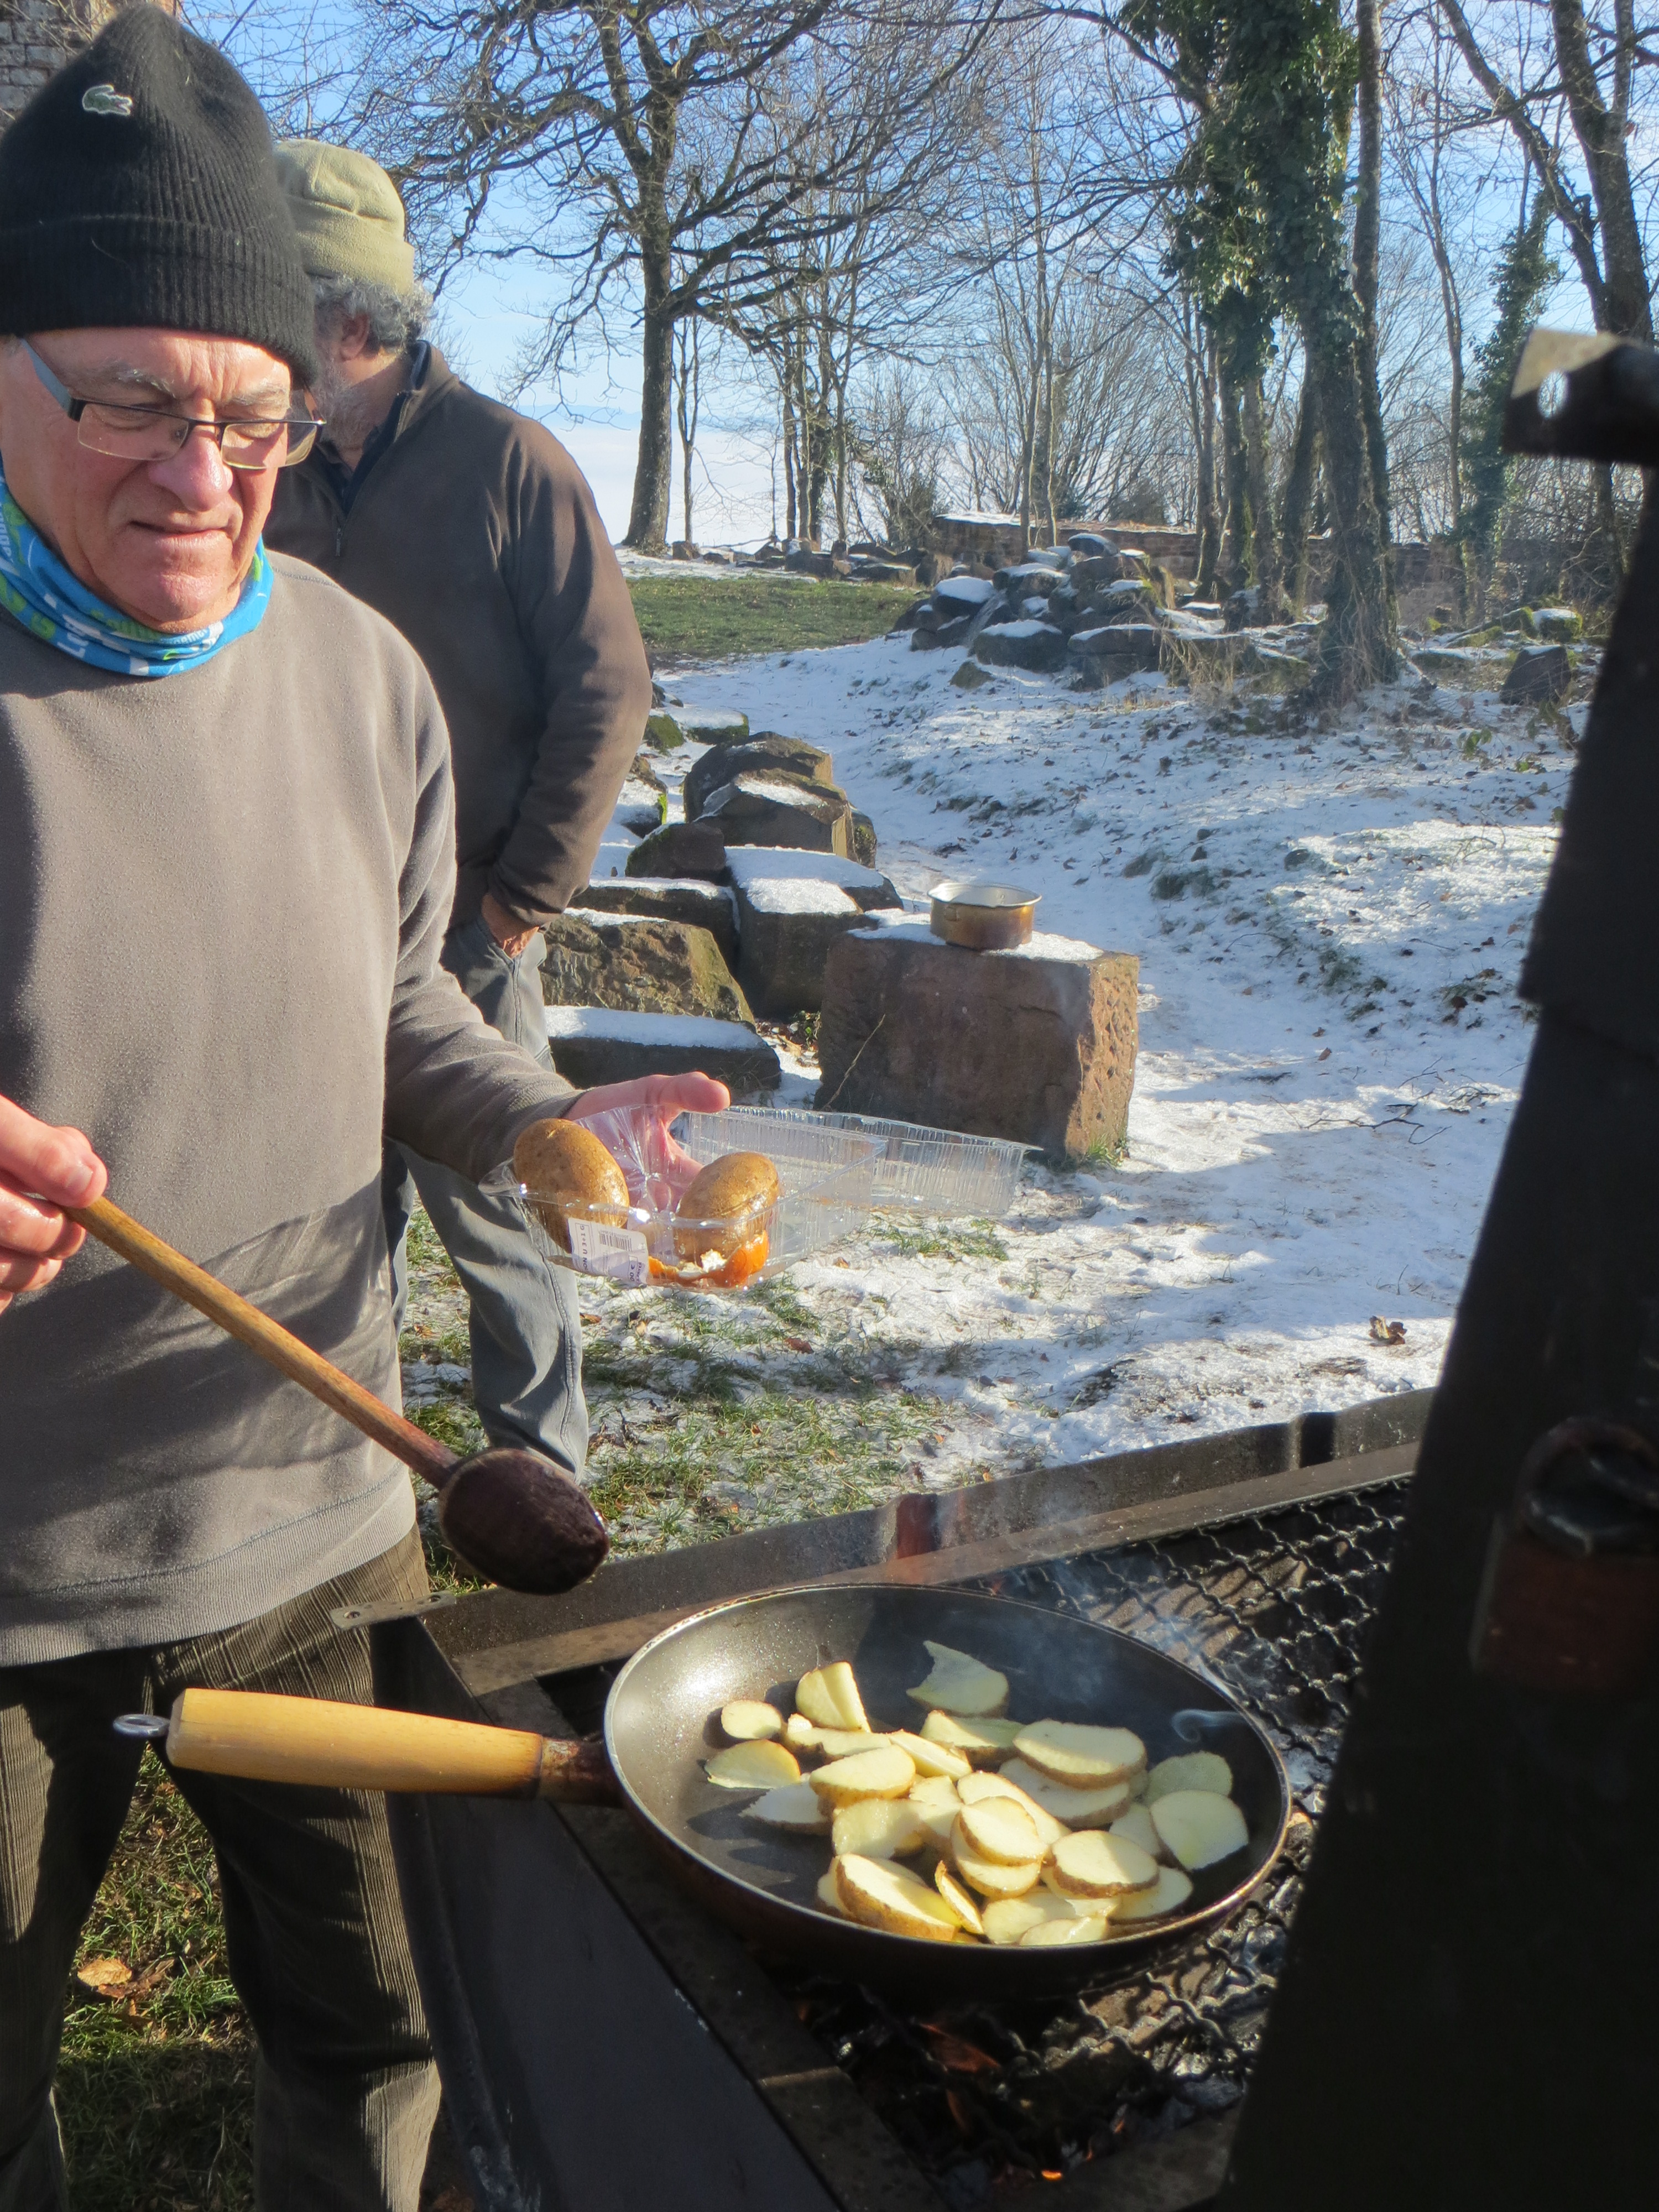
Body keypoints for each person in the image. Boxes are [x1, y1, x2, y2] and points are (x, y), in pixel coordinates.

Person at [0, 17, 721, 2209]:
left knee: (392, 2026)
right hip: (7, 1569)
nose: (202, 475)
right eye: (129, 401)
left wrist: (535, 1128)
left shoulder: (353, 670)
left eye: (252, 414)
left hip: (322, 1509)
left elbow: (392, 993)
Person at [265, 140, 649, 1486]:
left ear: (348, 321)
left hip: (465, 926)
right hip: (301, 923)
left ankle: (541, 1474)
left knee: (506, 1213)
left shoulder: (508, 463)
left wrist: (515, 903)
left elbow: (608, 688)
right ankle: (340, 1465)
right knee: (327, 1219)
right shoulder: (265, 473)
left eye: (274, 307)